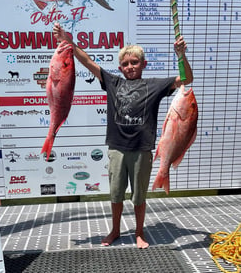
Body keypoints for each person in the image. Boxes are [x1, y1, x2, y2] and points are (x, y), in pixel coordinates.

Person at [53, 23, 193, 248]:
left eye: (134, 63)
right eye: (125, 64)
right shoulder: (113, 82)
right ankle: (115, 230)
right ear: (120, 68)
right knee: (116, 195)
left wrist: (181, 55)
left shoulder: (155, 85)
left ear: (143, 64)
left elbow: (186, 79)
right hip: (117, 148)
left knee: (139, 197)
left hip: (142, 149)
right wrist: (67, 41)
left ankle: (140, 233)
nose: (130, 67)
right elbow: (87, 62)